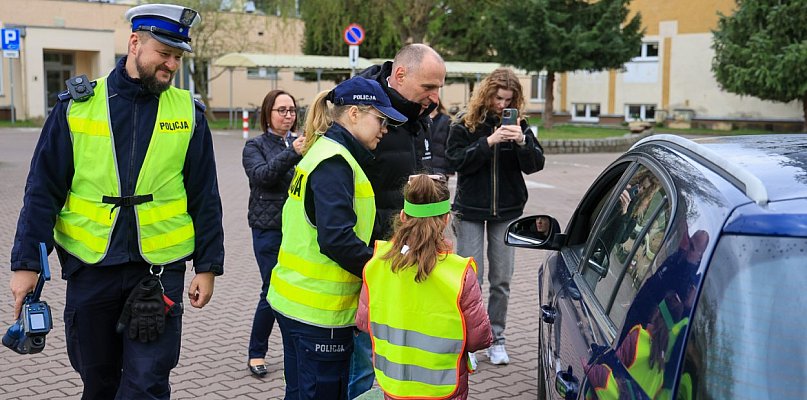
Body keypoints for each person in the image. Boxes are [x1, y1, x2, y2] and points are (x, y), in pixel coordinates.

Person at [7, 4, 224, 399]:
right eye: (164, 53)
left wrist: (207, 267)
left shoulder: (189, 114)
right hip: (92, 268)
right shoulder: (76, 106)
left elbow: (205, 194)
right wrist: (26, 264)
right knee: (98, 381)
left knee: (147, 384)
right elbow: (42, 190)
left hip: (158, 271)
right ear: (135, 43)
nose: (172, 64)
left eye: (178, 56)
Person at [266, 76, 407, 400]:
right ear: (354, 114)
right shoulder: (335, 163)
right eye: (381, 119)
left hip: (298, 305)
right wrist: (382, 269)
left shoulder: (325, 152)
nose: (385, 129)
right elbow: (336, 239)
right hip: (320, 314)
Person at [352, 43, 446, 398]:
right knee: (360, 360)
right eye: (429, 87)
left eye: (439, 87)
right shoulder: (362, 110)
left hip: (403, 254)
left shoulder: (419, 116)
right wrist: (367, 258)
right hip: (366, 258)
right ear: (401, 75)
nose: (435, 97)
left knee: (391, 358)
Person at [356, 174, 492, 400]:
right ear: (446, 219)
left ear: (402, 216)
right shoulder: (459, 274)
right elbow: (479, 338)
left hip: (394, 383)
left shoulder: (377, 263)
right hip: (442, 385)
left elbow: (363, 322)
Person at [446, 67, 545, 366]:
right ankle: (468, 345)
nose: (503, 105)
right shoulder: (464, 124)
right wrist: (488, 142)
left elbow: (535, 165)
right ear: (486, 95)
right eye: (498, 98)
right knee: (472, 280)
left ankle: (497, 339)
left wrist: (521, 143)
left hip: (507, 211)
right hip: (471, 211)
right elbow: (455, 161)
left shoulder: (521, 126)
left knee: (502, 279)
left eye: (509, 99)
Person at [242, 89, 304, 377]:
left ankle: (295, 348)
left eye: (291, 110)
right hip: (267, 229)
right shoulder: (254, 146)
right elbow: (263, 176)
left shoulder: (300, 142)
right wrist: (293, 153)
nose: (288, 115)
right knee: (271, 290)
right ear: (268, 113)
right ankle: (257, 352)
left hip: (296, 229)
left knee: (293, 290)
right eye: (282, 110)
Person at [423, 99, 454, 178]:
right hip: (425, 166)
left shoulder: (446, 120)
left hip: (441, 167)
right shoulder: (421, 120)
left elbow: (450, 145)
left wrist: (450, 169)